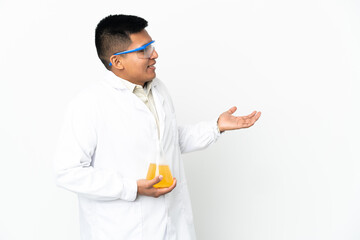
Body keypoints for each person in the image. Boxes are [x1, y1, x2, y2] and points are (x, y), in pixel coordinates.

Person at [53, 14, 261, 240]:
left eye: (152, 46)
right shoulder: (90, 104)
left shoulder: (157, 89)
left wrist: (216, 127)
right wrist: (131, 188)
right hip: (120, 230)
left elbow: (168, 140)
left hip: (172, 227)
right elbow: (68, 172)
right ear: (117, 61)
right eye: (143, 50)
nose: (154, 55)